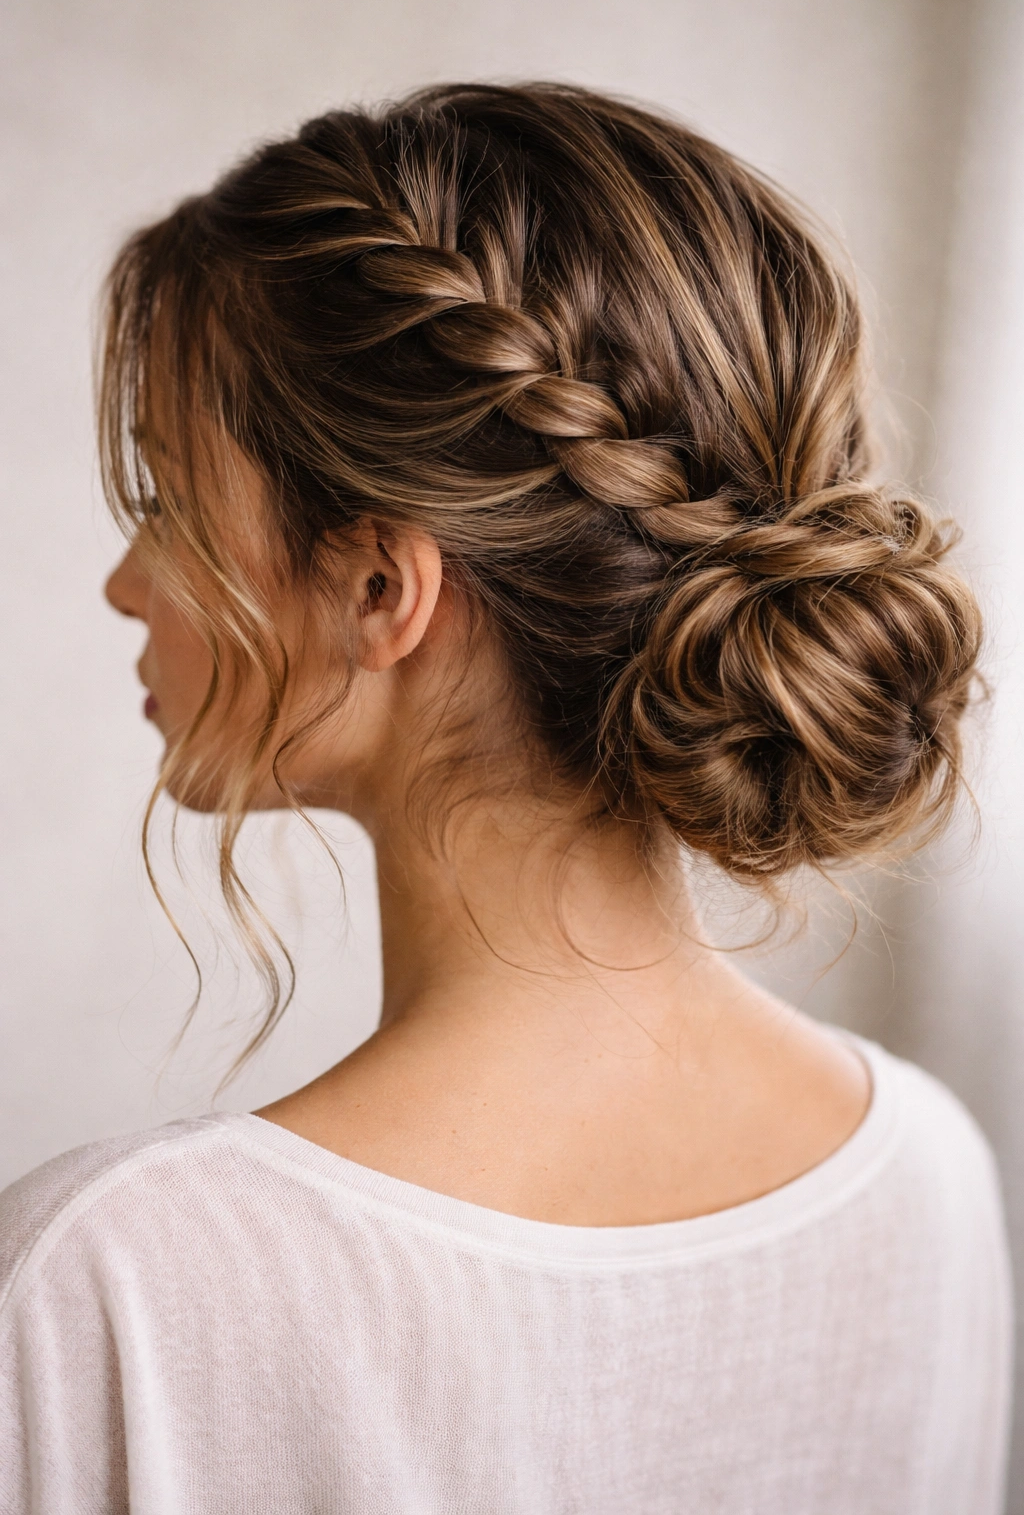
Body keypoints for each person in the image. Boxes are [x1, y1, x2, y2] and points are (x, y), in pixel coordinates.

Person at [0, 83, 1012, 1513]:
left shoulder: (106, 1289)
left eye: (165, 497)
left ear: (378, 588)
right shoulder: (927, 1177)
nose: (125, 582)